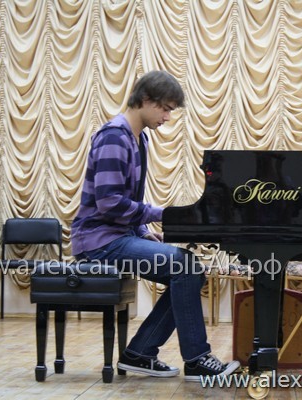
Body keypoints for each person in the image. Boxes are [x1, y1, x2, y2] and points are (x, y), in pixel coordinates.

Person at [71, 70, 240, 381]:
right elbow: (108, 203)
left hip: (116, 236)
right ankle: (196, 360)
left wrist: (142, 231)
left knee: (189, 271)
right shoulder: (114, 137)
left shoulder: (139, 139)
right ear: (146, 100)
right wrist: (162, 213)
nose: (167, 117)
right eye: (165, 109)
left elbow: (125, 203)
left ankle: (140, 353)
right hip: (97, 242)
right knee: (186, 267)